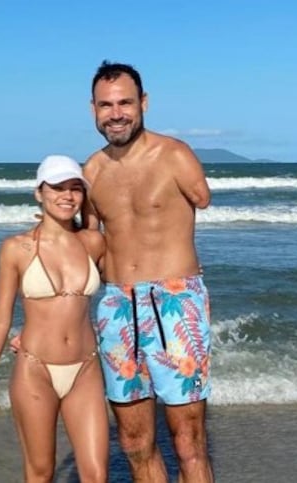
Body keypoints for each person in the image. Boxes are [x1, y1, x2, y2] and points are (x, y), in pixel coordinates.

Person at [83, 61, 213, 482]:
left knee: (188, 440)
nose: (116, 113)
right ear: (93, 109)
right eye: (106, 105)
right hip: (117, 304)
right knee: (134, 442)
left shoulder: (174, 154)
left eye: (125, 103)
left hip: (175, 299)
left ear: (144, 102)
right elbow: (88, 246)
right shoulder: (90, 172)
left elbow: (201, 199)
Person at [0, 155, 109, 483]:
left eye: (75, 188)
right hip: (35, 371)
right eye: (57, 187)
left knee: (96, 475)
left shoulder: (93, 242)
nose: (67, 196)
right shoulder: (16, 248)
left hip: (86, 370)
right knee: (40, 472)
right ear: (39, 192)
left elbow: (125, 287)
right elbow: (1, 318)